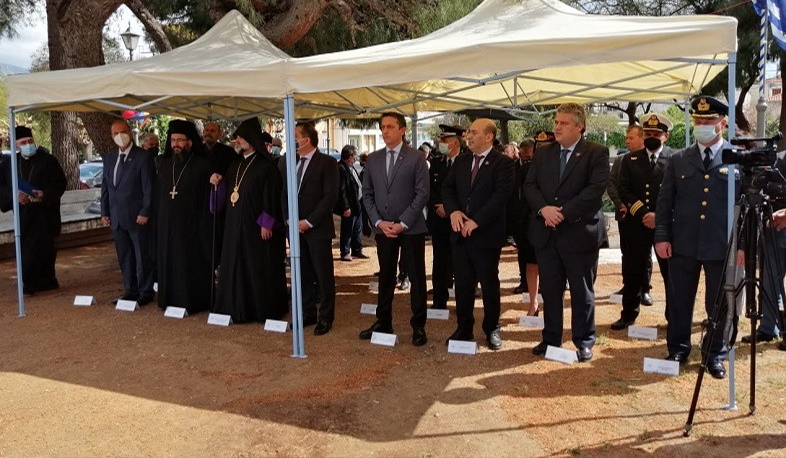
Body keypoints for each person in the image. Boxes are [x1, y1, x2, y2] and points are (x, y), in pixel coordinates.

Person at [655, 95, 739, 379]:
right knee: (679, 300)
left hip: (721, 244)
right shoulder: (679, 159)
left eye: (709, 120)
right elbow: (665, 202)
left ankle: (715, 353)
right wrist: (662, 236)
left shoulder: (735, 158)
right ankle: (678, 348)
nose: (702, 124)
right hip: (684, 243)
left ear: (722, 123)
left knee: (719, 303)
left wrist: (742, 246)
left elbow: (743, 206)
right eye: (698, 120)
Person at [525, 103, 610, 363]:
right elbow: (530, 186)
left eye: (564, 123)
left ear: (579, 126)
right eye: (556, 122)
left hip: (579, 233)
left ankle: (584, 341)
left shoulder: (596, 152)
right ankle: (551, 338)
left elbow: (595, 190)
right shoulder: (543, 152)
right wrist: (544, 210)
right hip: (547, 233)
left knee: (581, 292)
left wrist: (562, 212)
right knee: (551, 290)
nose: (557, 127)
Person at [442, 119, 515, 349]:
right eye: (468, 133)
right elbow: (447, 188)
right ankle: (464, 327)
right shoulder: (461, 161)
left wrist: (477, 221)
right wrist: (453, 211)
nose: (468, 136)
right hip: (460, 233)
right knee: (463, 284)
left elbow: (501, 196)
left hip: (486, 235)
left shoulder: (503, 163)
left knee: (489, 283)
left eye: (474, 132)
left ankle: (492, 328)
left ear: (489, 137)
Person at [360, 112, 430, 346]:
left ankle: (418, 326)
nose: (385, 131)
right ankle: (383, 321)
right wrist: (378, 222)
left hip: (410, 229)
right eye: (382, 127)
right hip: (384, 229)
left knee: (416, 278)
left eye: (390, 126)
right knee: (386, 276)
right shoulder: (374, 159)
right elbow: (367, 194)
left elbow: (422, 194)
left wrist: (403, 223)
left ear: (402, 130)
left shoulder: (417, 158)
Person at [211, 117, 288, 323]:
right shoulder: (235, 164)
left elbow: (272, 196)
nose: (237, 141)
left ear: (252, 140)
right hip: (234, 224)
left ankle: (257, 309)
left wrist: (267, 223)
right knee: (234, 265)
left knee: (255, 267)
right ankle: (233, 306)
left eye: (241, 137)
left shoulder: (266, 166)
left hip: (256, 227)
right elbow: (230, 191)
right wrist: (218, 182)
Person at [611, 114, 674, 330]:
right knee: (633, 272)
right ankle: (628, 314)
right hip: (636, 225)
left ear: (665, 136)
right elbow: (624, 189)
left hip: (664, 226)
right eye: (648, 133)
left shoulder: (675, 159)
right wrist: (644, 214)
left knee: (670, 274)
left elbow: (679, 193)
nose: (651, 137)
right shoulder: (630, 160)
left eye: (656, 134)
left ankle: (673, 317)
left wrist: (658, 216)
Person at [279, 122, 340, 336]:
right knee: (301, 272)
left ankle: (326, 316)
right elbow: (285, 192)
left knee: (323, 275)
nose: (292, 140)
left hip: (317, 229)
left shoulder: (327, 162)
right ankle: (307, 313)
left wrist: (309, 222)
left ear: (306, 140)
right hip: (295, 229)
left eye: (295, 136)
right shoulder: (291, 161)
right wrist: (288, 218)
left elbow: (330, 197)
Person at [155, 120, 214, 314]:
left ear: (189, 142)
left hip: (191, 226)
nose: (176, 144)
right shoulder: (164, 165)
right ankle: (169, 299)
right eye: (173, 140)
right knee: (169, 260)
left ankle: (192, 300)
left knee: (188, 262)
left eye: (180, 140)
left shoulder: (202, 165)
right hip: (167, 225)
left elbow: (206, 200)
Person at [0, 125, 66, 295]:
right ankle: (28, 284)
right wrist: (14, 196)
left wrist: (45, 194)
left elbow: (60, 183)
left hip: (45, 214)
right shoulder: (9, 164)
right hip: (24, 216)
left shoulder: (48, 160)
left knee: (46, 250)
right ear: (16, 145)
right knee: (26, 253)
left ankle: (47, 282)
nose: (28, 145)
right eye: (23, 143)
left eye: (30, 141)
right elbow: (2, 187)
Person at [101, 120, 156, 305]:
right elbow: (106, 187)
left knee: (142, 255)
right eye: (115, 133)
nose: (120, 136)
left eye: (123, 132)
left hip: (137, 216)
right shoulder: (109, 158)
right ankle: (130, 290)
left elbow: (149, 187)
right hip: (116, 217)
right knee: (125, 256)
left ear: (130, 133)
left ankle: (145, 291)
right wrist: (104, 211)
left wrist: (145, 211)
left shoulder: (143, 157)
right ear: (111, 135)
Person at [608, 125, 654, 304]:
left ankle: (645, 288)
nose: (627, 141)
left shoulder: (651, 160)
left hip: (645, 216)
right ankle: (628, 285)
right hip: (625, 216)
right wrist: (620, 203)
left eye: (631, 138)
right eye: (626, 138)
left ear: (642, 138)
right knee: (627, 253)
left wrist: (640, 209)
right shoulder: (621, 160)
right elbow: (612, 184)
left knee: (645, 254)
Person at [428, 124, 465, 309]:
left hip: (459, 221)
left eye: (445, 140)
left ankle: (462, 303)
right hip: (439, 221)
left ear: (455, 143)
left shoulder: (466, 162)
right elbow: (430, 189)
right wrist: (438, 207)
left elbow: (466, 192)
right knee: (440, 261)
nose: (441, 143)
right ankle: (439, 301)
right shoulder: (437, 162)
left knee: (460, 263)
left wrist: (449, 208)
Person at [203, 121, 237, 269]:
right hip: (202, 205)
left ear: (219, 134)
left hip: (221, 207)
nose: (208, 133)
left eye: (212, 131)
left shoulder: (228, 153)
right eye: (206, 130)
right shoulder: (197, 152)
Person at [514, 137, 540, 316]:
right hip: (528, 222)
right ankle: (533, 303)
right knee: (531, 263)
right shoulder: (522, 168)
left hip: (550, 221)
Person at [336, 144, 368, 261]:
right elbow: (342, 190)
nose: (355, 159)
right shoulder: (341, 168)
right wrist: (345, 207)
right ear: (349, 157)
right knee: (347, 229)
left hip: (357, 203)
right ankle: (345, 252)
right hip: (349, 205)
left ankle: (357, 250)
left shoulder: (351, 167)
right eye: (354, 156)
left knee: (357, 228)